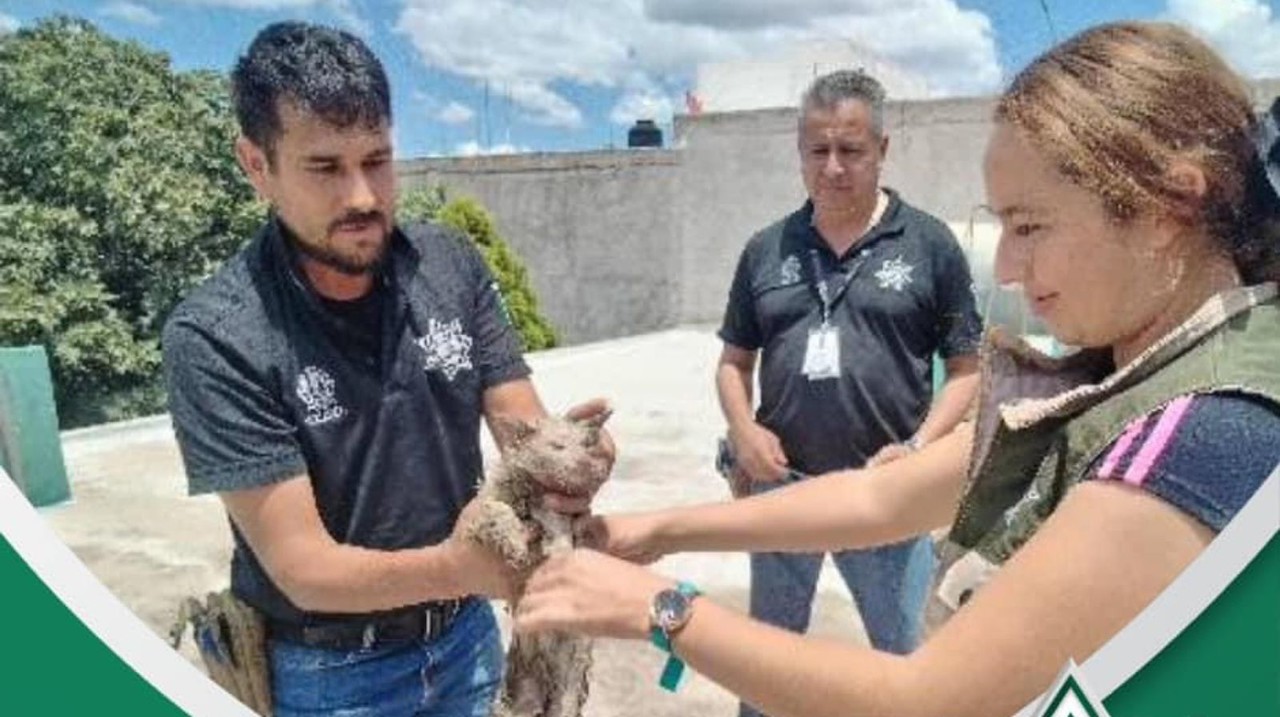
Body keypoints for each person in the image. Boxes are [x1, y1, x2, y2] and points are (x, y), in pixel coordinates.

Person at [512, 22, 1280, 717]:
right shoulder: (1137, 372)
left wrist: (658, 609)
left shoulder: (1196, 437)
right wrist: (661, 530)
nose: (1008, 267)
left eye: (1031, 225)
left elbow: (921, 698)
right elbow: (883, 496)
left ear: (1170, 201)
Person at [161, 22, 612, 717]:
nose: (364, 195)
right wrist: (457, 566)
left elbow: (522, 427)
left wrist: (570, 456)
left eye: (378, 159)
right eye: (326, 167)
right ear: (256, 164)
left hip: (466, 641)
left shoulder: (448, 264)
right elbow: (302, 568)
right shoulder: (219, 335)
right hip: (329, 676)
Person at [713, 67, 982, 686]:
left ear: (882, 151)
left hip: (886, 496)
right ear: (800, 152)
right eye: (819, 150)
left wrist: (916, 452)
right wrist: (742, 428)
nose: (833, 166)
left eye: (851, 150)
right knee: (767, 668)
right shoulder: (765, 249)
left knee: (915, 667)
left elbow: (967, 372)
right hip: (784, 491)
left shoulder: (929, 244)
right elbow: (733, 362)